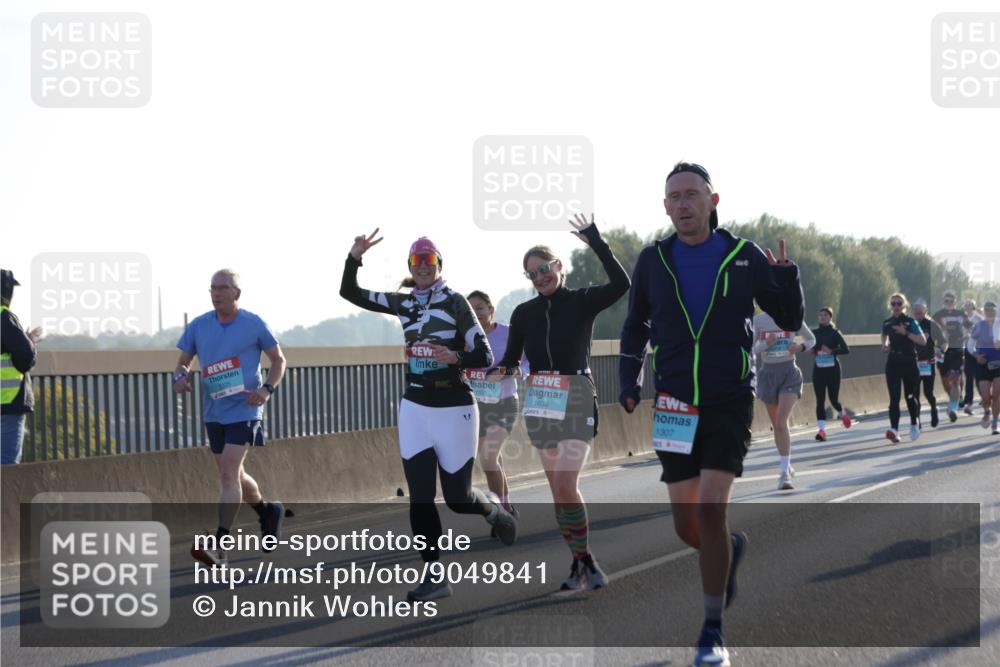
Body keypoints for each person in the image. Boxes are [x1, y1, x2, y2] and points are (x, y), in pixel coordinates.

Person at [619, 162, 804, 667]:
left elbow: (789, 319)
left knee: (710, 510)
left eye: (692, 195)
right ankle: (726, 550)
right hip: (674, 401)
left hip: (728, 398)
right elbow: (635, 326)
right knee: (686, 526)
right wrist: (629, 380)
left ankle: (712, 629)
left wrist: (788, 279)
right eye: (674, 197)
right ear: (665, 207)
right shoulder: (653, 259)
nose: (683, 204)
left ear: (712, 201)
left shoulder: (743, 255)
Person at [340, 230, 517, 602]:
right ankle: (435, 575)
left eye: (430, 260)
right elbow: (350, 293)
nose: (423, 266)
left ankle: (493, 511)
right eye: (417, 261)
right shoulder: (403, 303)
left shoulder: (455, 302)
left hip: (454, 407)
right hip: (415, 407)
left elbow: (485, 356)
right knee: (420, 497)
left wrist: (455, 357)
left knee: (457, 498)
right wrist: (354, 257)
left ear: (439, 265)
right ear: (410, 266)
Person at [490, 213, 629, 592]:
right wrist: (488, 372)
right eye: (532, 274)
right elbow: (510, 361)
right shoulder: (524, 313)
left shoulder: (582, 301)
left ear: (559, 267)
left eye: (544, 269)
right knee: (558, 491)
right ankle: (579, 561)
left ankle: (587, 561)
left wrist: (596, 241)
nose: (540, 277)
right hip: (541, 402)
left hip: (578, 395)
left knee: (567, 483)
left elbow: (622, 284)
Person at [175, 269, 287, 566]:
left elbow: (278, 360)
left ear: (236, 292)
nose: (216, 293)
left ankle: (220, 545)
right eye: (212, 288)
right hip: (214, 411)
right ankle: (267, 511)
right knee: (234, 475)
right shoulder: (199, 325)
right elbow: (183, 362)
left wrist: (266, 390)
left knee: (227, 473)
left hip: (246, 408)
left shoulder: (253, 323)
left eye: (222, 288)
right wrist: (180, 378)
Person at [466, 290, 528, 534]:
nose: (476, 313)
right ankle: (508, 507)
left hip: (504, 402)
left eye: (480, 308)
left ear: (491, 310)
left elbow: (527, 362)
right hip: (478, 404)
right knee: (494, 459)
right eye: (471, 310)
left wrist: (509, 371)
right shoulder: (466, 337)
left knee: (489, 458)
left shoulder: (508, 333)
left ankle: (501, 514)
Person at [752, 308, 814, 489]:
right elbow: (749, 349)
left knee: (781, 422)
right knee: (778, 426)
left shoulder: (792, 316)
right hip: (768, 376)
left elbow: (811, 339)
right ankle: (786, 463)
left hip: (789, 373)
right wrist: (766, 344)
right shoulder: (758, 321)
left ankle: (784, 474)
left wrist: (799, 347)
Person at [1, 270, 42, 465]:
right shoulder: (4, 317)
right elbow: (26, 357)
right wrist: (30, 342)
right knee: (7, 464)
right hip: (7, 402)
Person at [880, 293, 927, 444]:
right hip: (893, 362)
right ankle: (894, 430)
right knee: (894, 398)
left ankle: (914, 423)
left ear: (904, 306)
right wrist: (884, 344)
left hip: (909, 362)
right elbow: (884, 334)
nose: (896, 306)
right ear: (890, 306)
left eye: (899, 304)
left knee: (910, 397)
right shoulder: (887, 323)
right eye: (893, 303)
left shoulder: (911, 322)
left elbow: (923, 341)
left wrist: (906, 333)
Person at [810, 306, 852, 442]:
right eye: (821, 315)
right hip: (819, 370)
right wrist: (812, 350)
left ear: (830, 318)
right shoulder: (814, 333)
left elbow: (846, 349)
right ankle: (822, 431)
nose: (822, 317)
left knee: (833, 400)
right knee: (820, 400)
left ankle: (842, 413)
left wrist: (831, 351)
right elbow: (810, 346)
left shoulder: (835, 332)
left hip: (833, 370)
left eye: (825, 315)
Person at [933, 291, 970, 422]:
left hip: (957, 350)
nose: (949, 303)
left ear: (956, 302)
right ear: (943, 301)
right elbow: (931, 332)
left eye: (951, 301)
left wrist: (967, 339)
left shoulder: (961, 314)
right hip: (942, 351)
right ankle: (955, 399)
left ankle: (953, 408)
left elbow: (970, 328)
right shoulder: (937, 315)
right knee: (945, 381)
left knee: (955, 380)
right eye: (946, 301)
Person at [912, 299, 947, 428]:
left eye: (920, 310)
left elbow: (944, 342)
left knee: (928, 393)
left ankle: (934, 409)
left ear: (925, 311)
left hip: (928, 363)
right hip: (914, 364)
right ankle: (917, 420)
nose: (918, 313)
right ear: (913, 312)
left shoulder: (932, 325)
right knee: (915, 394)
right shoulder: (910, 324)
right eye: (916, 310)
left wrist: (941, 350)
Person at [967, 301, 1000, 434]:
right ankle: (987, 411)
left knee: (996, 395)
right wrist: (977, 356)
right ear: (984, 312)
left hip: (998, 364)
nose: (990, 312)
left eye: (992, 310)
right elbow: (970, 346)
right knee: (986, 397)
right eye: (987, 310)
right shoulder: (979, 326)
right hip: (983, 364)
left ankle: (995, 423)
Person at [962, 300, 984, 415]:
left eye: (970, 305)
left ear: (973, 307)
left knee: (979, 377)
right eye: (966, 305)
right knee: (969, 377)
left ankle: (985, 398)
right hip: (967, 350)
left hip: (978, 350)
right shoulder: (962, 319)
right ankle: (968, 403)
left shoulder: (979, 318)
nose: (968, 307)